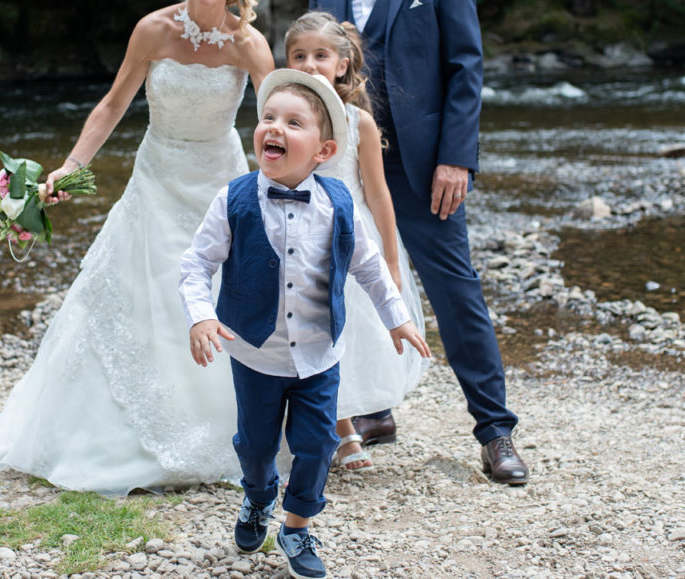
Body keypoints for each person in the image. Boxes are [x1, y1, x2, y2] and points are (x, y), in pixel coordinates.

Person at [0, 0, 274, 495]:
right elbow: (113, 103)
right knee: (140, 291)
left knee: (222, 291)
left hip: (220, 182)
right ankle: (119, 432)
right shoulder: (152, 29)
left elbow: (276, 119)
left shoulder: (247, 41)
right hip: (157, 176)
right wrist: (70, 168)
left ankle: (234, 425)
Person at [179, 69, 431, 579]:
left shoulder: (339, 204)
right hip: (255, 354)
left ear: (324, 150)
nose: (275, 127)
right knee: (254, 445)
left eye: (293, 122)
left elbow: (368, 265)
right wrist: (202, 317)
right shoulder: (233, 199)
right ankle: (258, 496)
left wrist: (397, 319)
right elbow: (195, 265)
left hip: (320, 355)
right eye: (268, 117)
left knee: (317, 445)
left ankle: (296, 525)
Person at [309, 0, 529, 484]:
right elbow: (312, 64)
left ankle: (495, 431)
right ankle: (372, 409)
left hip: (425, 164)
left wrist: (456, 157)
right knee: (339, 287)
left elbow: (466, 64)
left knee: (455, 290)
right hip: (339, 161)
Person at [284, 11, 428, 472]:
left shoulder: (358, 122)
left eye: (320, 56)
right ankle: (336, 430)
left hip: (349, 241)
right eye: (298, 56)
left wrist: (390, 257)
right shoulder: (283, 117)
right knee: (303, 332)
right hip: (297, 239)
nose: (309, 64)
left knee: (347, 336)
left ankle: (342, 427)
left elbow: (378, 193)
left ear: (342, 65)